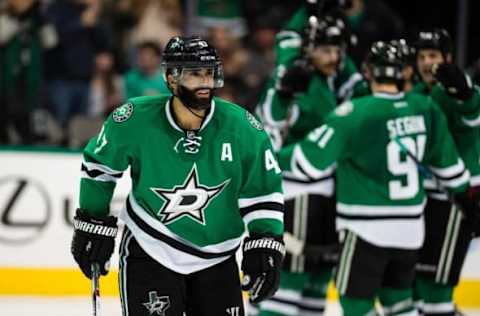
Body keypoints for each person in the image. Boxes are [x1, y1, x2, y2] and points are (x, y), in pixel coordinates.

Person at [70, 36, 286, 315]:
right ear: (171, 79)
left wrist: (266, 243)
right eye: (195, 74)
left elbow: (263, 189)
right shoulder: (135, 119)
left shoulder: (242, 128)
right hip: (150, 247)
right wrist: (92, 219)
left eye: (209, 74)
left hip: (217, 257)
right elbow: (99, 166)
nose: (206, 83)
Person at [276, 41, 479, 316]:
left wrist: (269, 156)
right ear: (405, 72)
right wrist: (467, 197)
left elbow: (307, 164)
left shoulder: (355, 113)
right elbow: (448, 165)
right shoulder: (424, 107)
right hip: (410, 230)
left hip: (366, 229)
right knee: (399, 303)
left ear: (369, 72)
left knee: (355, 305)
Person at [252, 11, 366, 316]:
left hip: (326, 195)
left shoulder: (331, 79)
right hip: (298, 194)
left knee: (316, 283)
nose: (332, 56)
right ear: (309, 49)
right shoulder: (296, 75)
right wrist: (284, 93)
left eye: (337, 50)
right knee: (288, 282)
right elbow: (269, 122)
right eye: (325, 49)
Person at [411, 28, 480, 316]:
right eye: (422, 56)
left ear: (447, 58)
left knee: (436, 289)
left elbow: (470, 109)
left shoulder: (453, 91)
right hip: (421, 202)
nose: (427, 62)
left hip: (455, 203)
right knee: (414, 287)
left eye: (434, 55)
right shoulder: (413, 93)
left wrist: (464, 90)